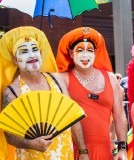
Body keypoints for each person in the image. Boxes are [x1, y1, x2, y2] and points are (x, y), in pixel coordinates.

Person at [0, 26, 89, 160]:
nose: (31, 55)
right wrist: (31, 143)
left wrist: (83, 151)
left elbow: (73, 117)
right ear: (15, 60)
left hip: (65, 155)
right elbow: (10, 135)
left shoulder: (57, 80)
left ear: (41, 54)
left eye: (35, 50)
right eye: (24, 51)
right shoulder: (12, 92)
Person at [56, 27, 128, 160]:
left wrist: (122, 149)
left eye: (89, 50)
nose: (85, 55)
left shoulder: (111, 78)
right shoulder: (62, 79)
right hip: (73, 153)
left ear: (95, 52)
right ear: (71, 54)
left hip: (104, 153)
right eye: (80, 50)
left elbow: (120, 116)